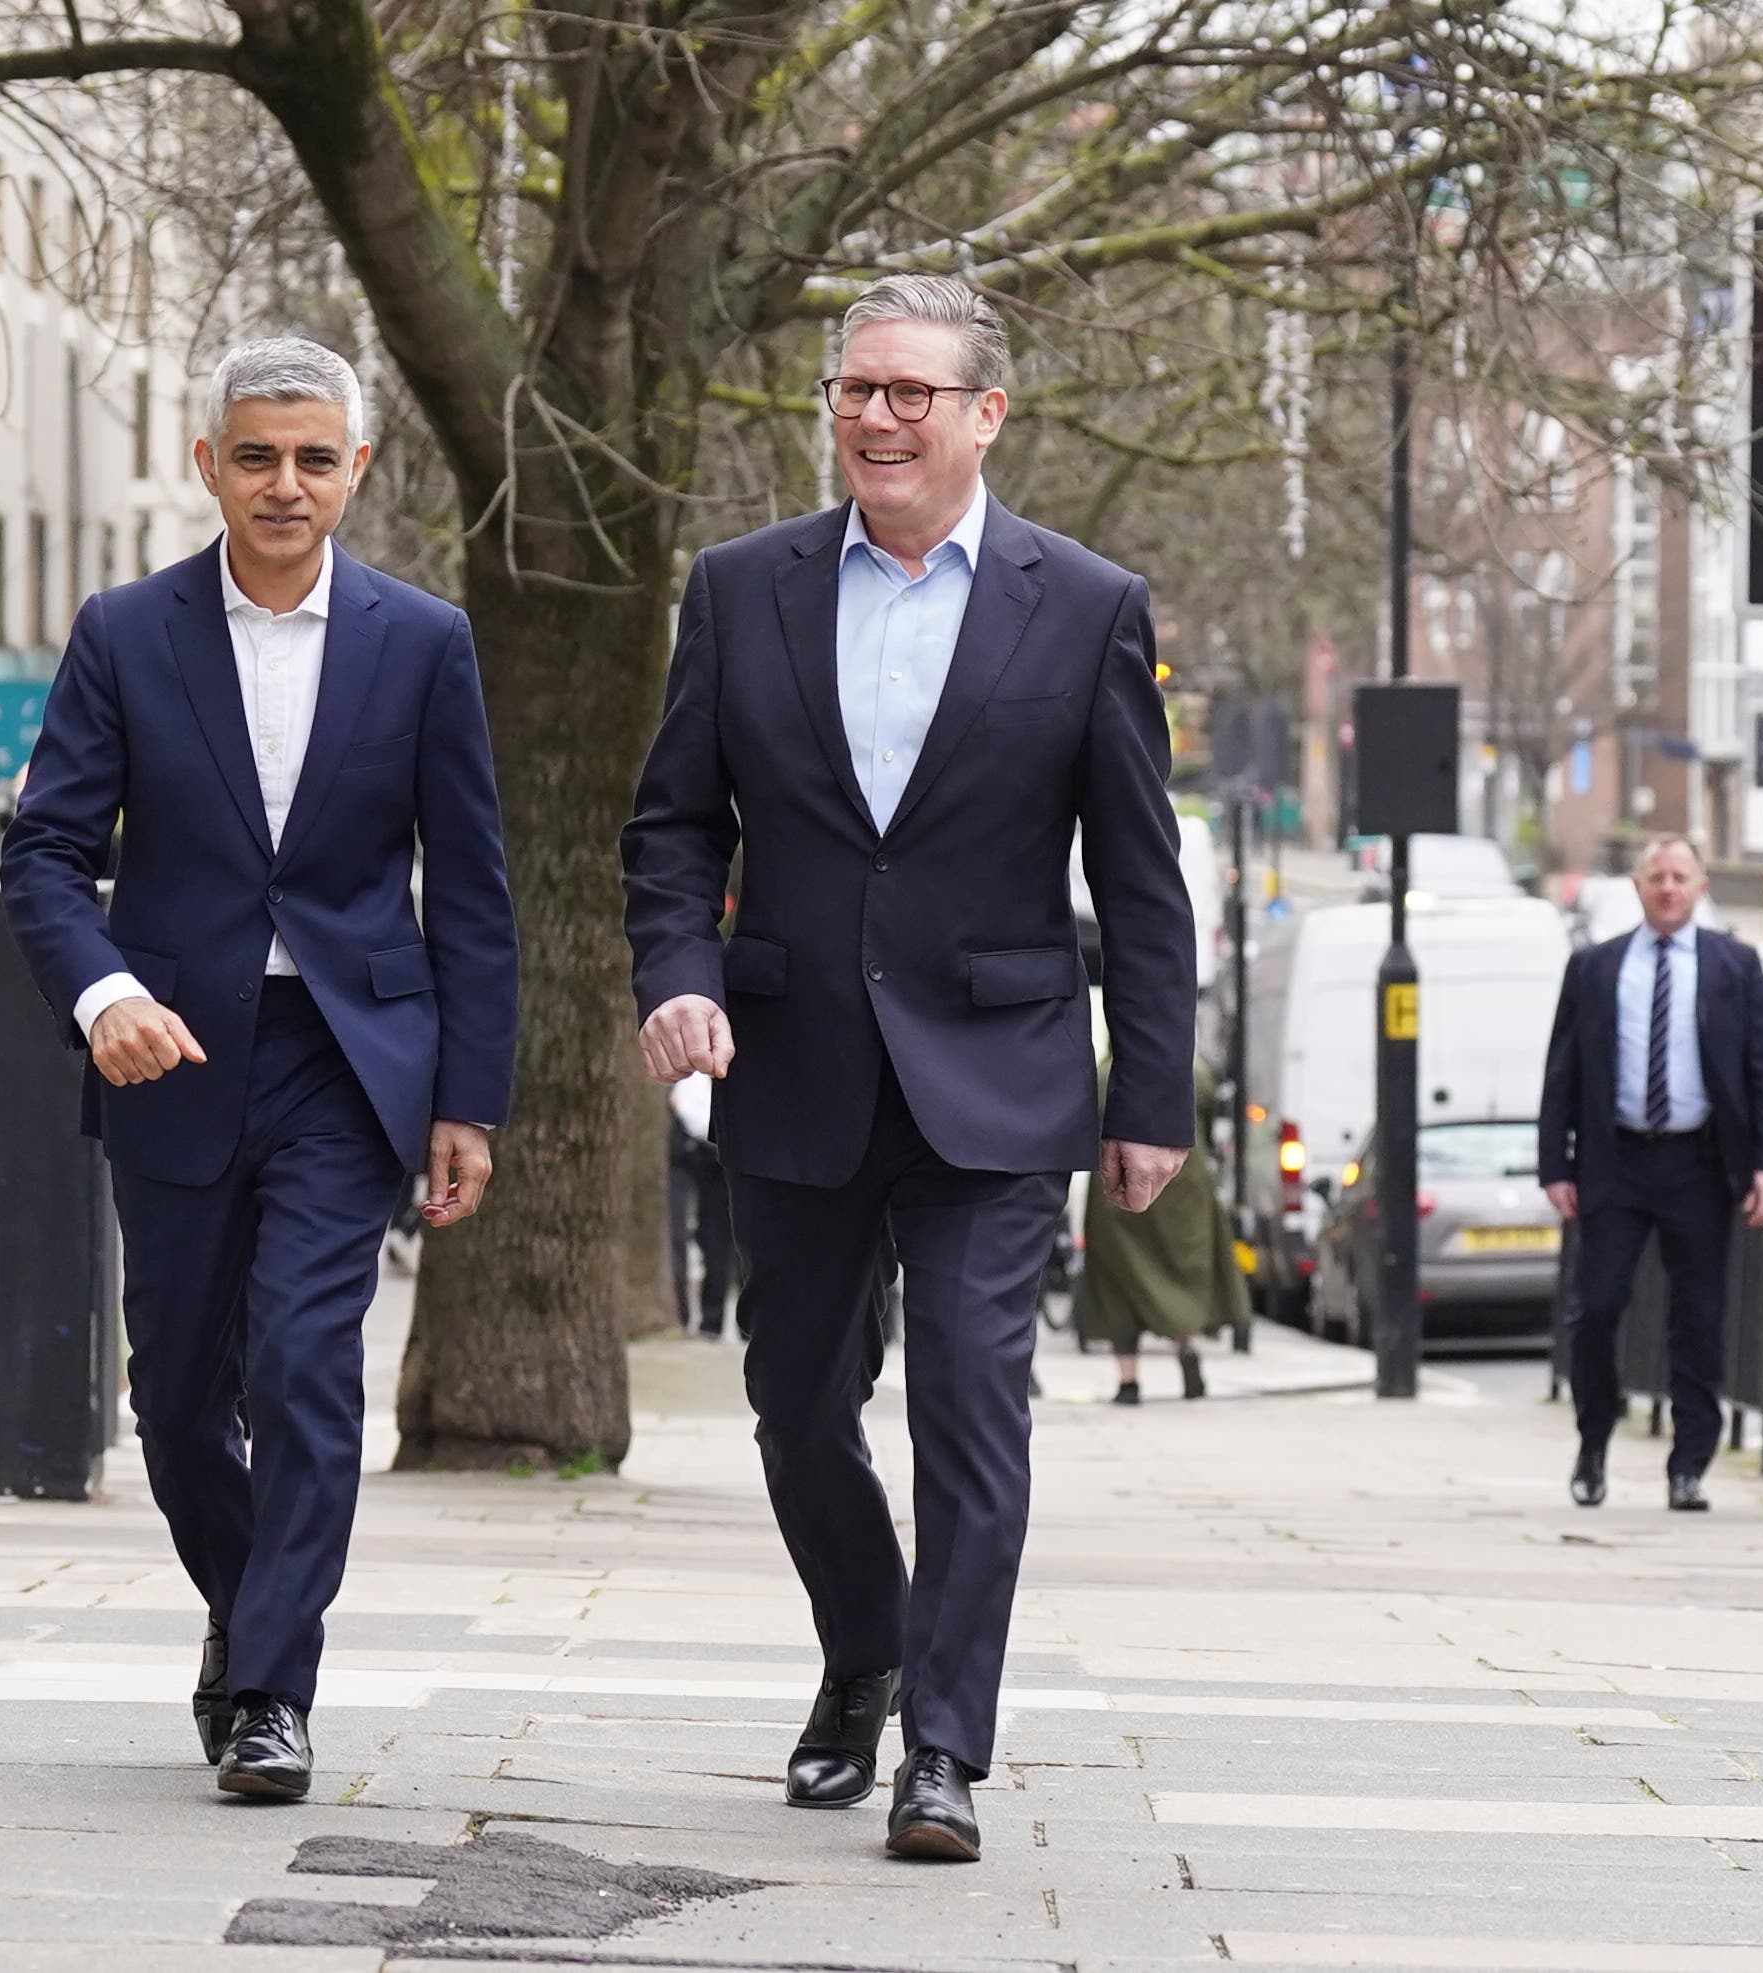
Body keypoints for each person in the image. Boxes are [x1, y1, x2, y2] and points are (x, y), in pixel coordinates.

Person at [621, 272, 1195, 1862]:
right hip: (795, 1060)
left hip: (998, 1079)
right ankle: (865, 1647)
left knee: (971, 1400)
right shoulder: (742, 591)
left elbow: (1142, 880)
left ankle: (944, 1745)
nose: (874, 417)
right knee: (798, 1406)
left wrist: (1153, 1097)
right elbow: (675, 823)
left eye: (909, 395)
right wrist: (678, 976)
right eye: (854, 391)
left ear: (984, 413)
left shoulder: (1084, 604)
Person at [0, 337, 518, 1802]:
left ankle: (274, 1687)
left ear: (358, 468)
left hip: (347, 1062)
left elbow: (470, 891)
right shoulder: (124, 632)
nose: (283, 484)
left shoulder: (424, 642)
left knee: (303, 1361)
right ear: (209, 464)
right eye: (255, 456)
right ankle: (246, 1604)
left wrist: (467, 1097)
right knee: (174, 1398)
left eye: (312, 458)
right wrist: (104, 994)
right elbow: (44, 855)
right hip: (173, 1051)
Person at [1538, 834, 1763, 1514]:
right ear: (1638, 886)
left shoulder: (1735, 965)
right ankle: (1593, 1442)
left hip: (1699, 1163)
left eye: (1681, 876)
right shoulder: (1595, 967)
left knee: (1698, 1318)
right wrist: (1554, 1163)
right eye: (1657, 877)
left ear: (1702, 885)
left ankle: (1690, 1464)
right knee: (1596, 1308)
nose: (1669, 888)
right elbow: (1562, 1069)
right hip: (1614, 1161)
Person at [1077, 1057, 1245, 1402]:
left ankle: (1128, 1381)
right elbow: (1211, 1127)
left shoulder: (1102, 1075)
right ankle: (1186, 1345)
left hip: (1118, 1179)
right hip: (1182, 1181)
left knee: (1117, 1277)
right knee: (1182, 1267)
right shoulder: (1193, 1073)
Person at [666, 1074, 736, 1338]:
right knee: (706, 1241)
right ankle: (704, 1319)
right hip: (702, 1160)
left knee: (728, 1245)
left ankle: (720, 1323)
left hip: (728, 1160)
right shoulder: (692, 1081)